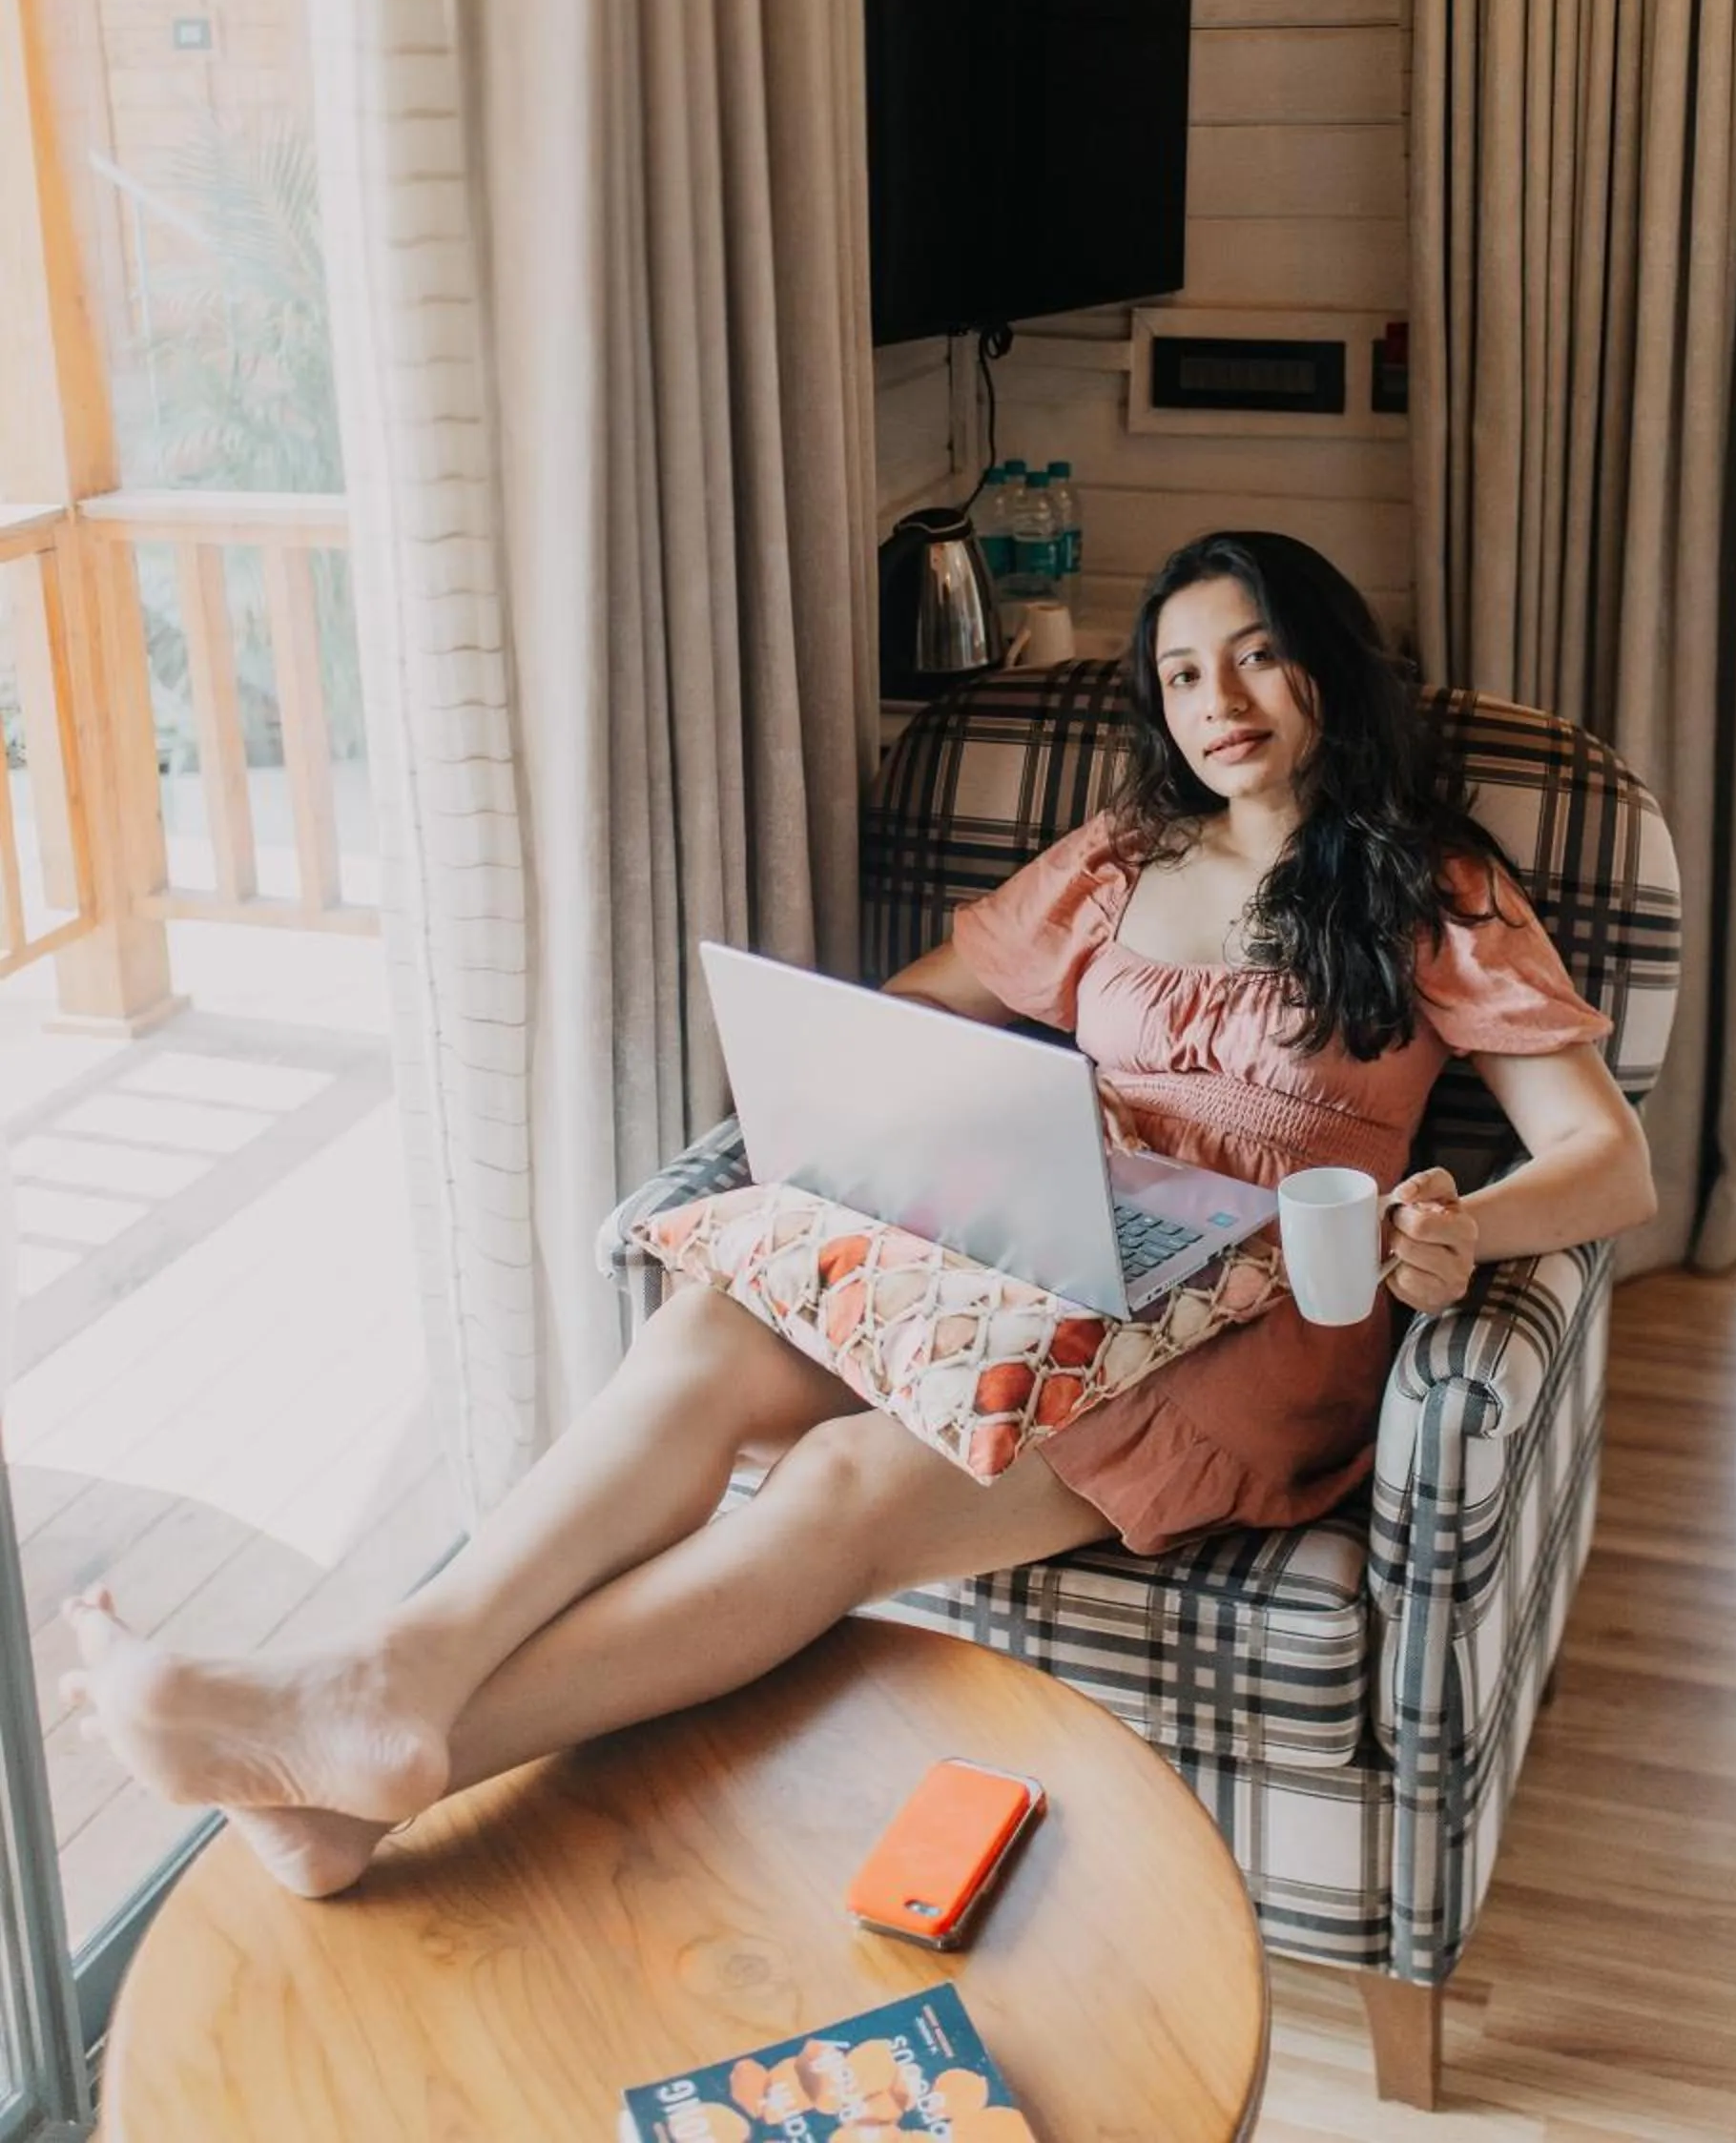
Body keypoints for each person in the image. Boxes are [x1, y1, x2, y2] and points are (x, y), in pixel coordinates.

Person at [61, 529, 1654, 1899]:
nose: (1219, 704)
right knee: (716, 1329)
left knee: (835, 1486)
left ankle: (399, 1748)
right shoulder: (1116, 860)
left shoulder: (1429, 888)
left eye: (1255, 659)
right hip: (1071, 1259)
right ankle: (387, 1688)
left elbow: (1607, 1158)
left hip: (1246, 1346)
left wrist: (1460, 1222)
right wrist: (1000, 1116)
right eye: (1180, 674)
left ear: (1326, 671)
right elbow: (914, 1011)